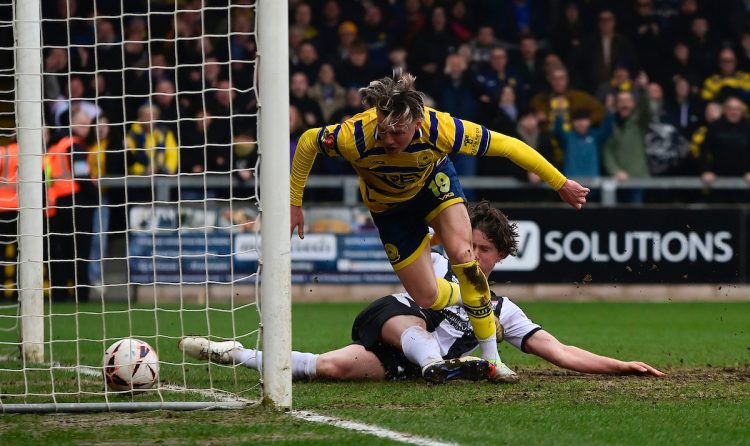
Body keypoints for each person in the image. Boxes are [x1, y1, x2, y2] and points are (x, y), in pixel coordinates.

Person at [289, 73, 590, 379]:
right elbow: (308, 141)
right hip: (390, 209)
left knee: (464, 256)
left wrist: (559, 182)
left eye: (398, 132)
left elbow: (508, 146)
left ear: (418, 123)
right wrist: (294, 203)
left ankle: (492, 359)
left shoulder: (442, 129)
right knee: (426, 296)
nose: (389, 139)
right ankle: (467, 297)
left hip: (434, 186)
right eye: (383, 130)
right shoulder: (352, 136)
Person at [180, 202, 663, 383]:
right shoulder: (434, 263)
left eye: (484, 250)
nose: (473, 254)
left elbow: (559, 351)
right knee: (415, 319)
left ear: (499, 258)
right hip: (390, 320)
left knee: (327, 368)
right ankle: (438, 365)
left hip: (401, 363)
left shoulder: (503, 311)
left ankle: (235, 354)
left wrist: (619, 365)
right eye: (470, 243)